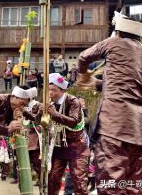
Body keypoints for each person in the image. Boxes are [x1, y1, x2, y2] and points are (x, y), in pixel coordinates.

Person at [77, 15, 142, 194]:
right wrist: (96, 84)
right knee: (135, 185)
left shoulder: (114, 43)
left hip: (114, 125)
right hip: (138, 129)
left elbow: (83, 57)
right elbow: (130, 84)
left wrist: (85, 74)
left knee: (111, 182)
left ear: (118, 32)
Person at [39, 73, 89, 195]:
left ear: (63, 90)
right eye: (49, 90)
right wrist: (37, 113)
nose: (50, 93)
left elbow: (73, 122)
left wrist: (54, 114)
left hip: (76, 146)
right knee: (53, 178)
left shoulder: (73, 101)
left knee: (78, 180)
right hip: (59, 146)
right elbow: (38, 122)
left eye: (53, 90)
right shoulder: (50, 102)